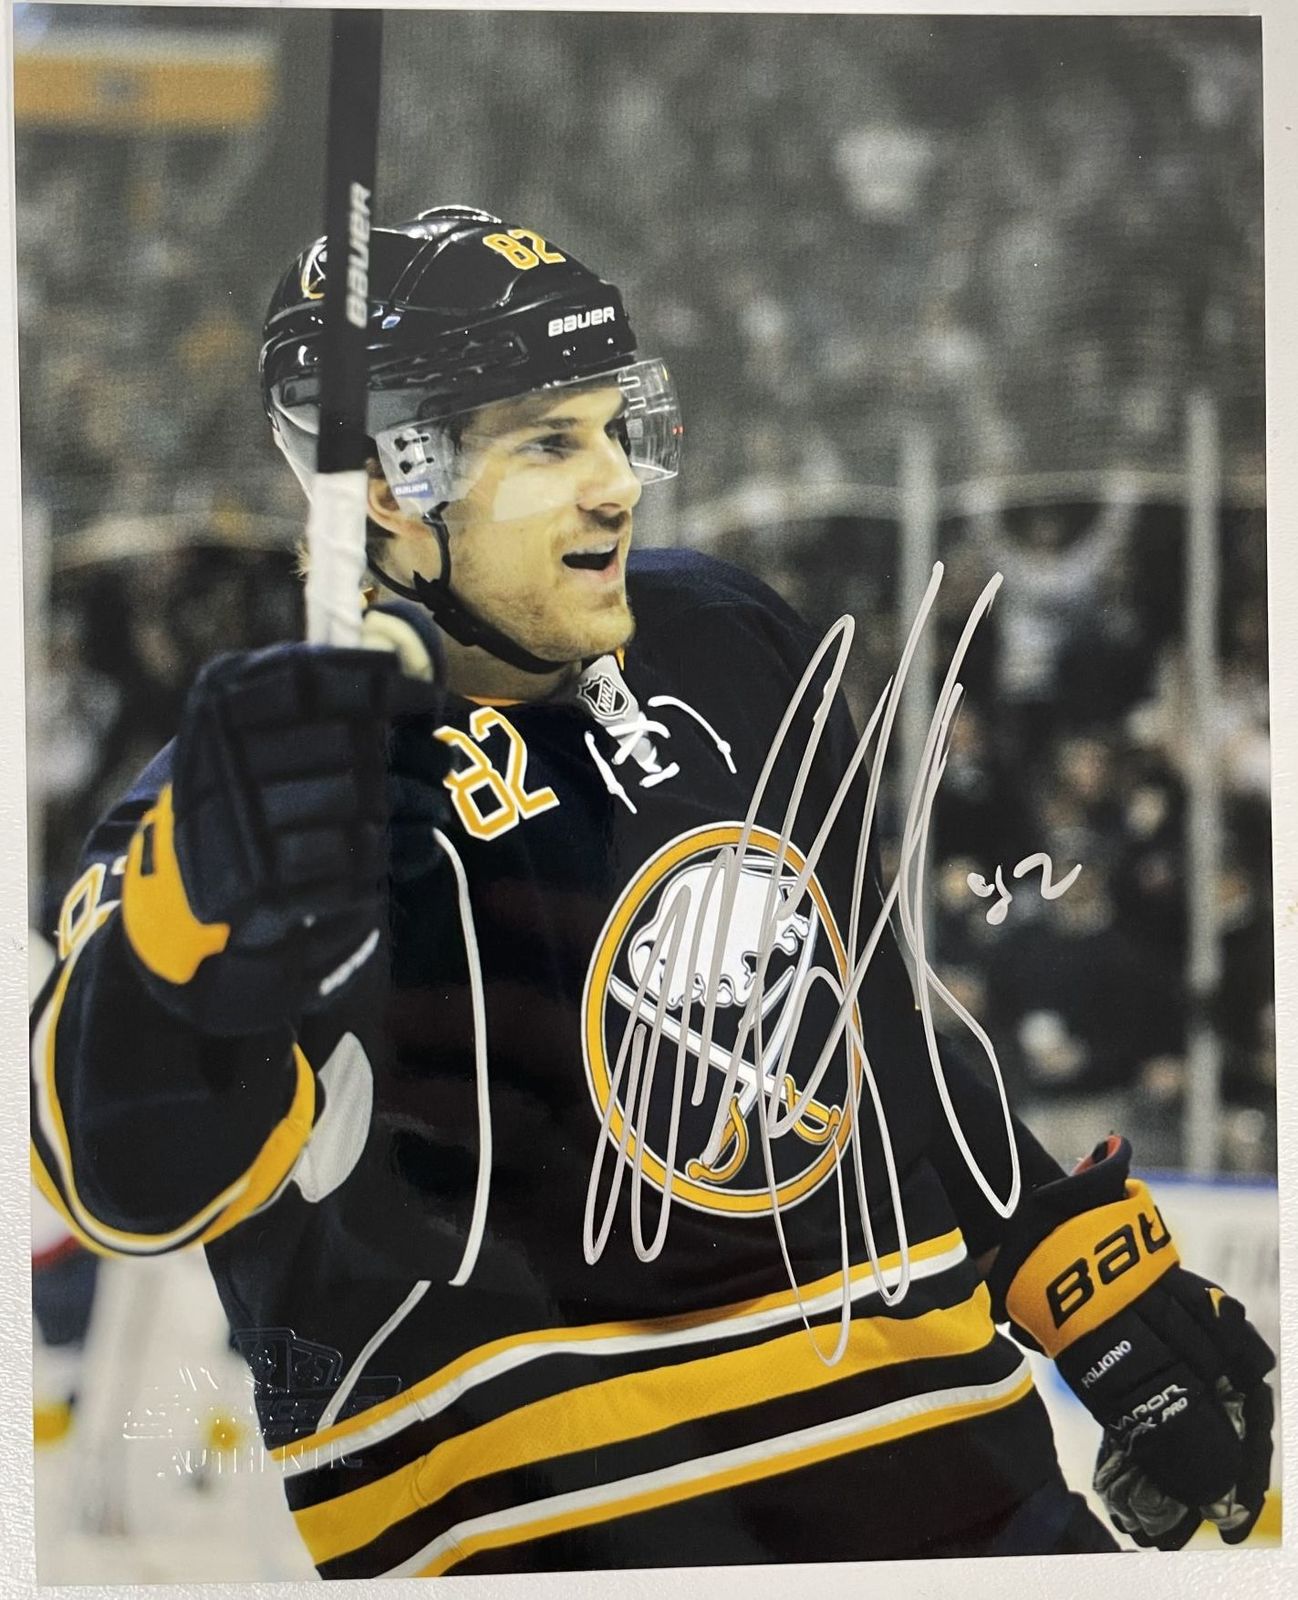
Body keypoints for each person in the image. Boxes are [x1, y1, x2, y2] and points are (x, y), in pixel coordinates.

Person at [30, 206, 1273, 1577]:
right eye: (548, 443)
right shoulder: (241, 815)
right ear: (386, 482)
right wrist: (190, 924)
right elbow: (115, 1179)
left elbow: (874, 1038)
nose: (617, 482)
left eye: (615, 428)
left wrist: (1076, 1269)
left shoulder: (727, 639)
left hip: (979, 1521)